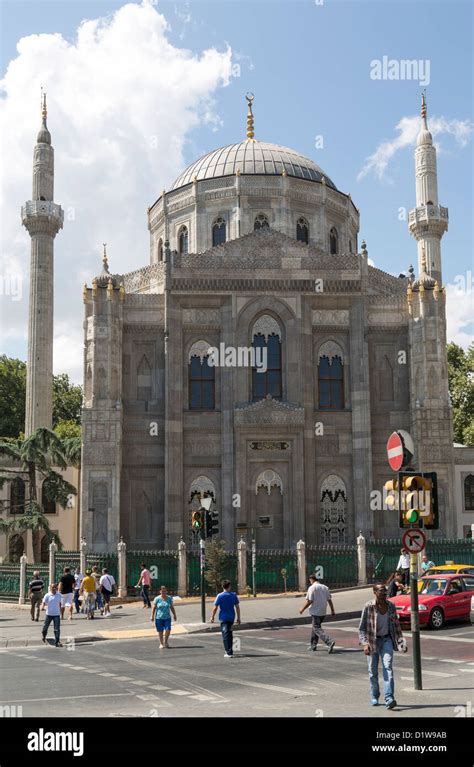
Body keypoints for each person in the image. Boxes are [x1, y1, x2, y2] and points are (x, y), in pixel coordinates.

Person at [359, 583, 407, 709]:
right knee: (372, 671)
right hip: (372, 642)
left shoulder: (391, 606)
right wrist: (365, 644)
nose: (384, 593)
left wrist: (401, 642)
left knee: (388, 668)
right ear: (374, 592)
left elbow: (396, 625)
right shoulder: (368, 606)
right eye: (381, 591)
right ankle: (374, 695)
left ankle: (389, 698)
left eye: (385, 591)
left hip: (386, 640)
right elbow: (362, 628)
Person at [299, 574, 336, 653]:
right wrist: (332, 610)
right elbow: (329, 600)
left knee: (316, 628)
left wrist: (302, 609)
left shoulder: (312, 588)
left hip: (315, 612)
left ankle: (329, 642)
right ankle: (313, 645)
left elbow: (310, 601)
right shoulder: (325, 587)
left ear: (311, 579)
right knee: (315, 628)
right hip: (323, 612)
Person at [210, 580, 241, 658]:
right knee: (229, 633)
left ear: (222, 586)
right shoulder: (233, 595)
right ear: (229, 586)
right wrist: (238, 617)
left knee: (225, 634)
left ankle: (228, 651)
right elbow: (237, 606)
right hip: (231, 617)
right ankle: (229, 649)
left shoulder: (220, 596)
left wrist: (212, 616)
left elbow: (215, 607)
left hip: (223, 617)